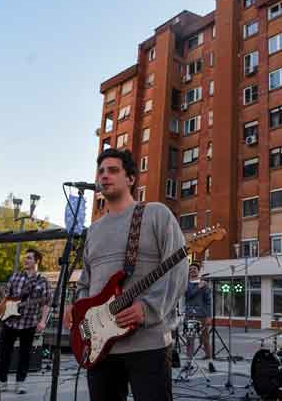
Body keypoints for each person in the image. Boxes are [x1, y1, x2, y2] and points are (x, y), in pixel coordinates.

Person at [64, 148, 188, 401]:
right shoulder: (94, 230)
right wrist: (77, 308)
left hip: (148, 344)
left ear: (130, 178)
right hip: (99, 348)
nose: (104, 176)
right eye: (100, 171)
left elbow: (178, 267)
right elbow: (86, 283)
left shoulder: (156, 214)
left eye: (113, 170)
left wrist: (149, 307)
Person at [0, 248, 51, 394]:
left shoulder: (42, 281)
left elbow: (46, 303)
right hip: (10, 322)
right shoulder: (15, 276)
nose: (26, 260)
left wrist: (43, 321)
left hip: (29, 323)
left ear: (37, 261)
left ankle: (20, 383)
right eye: (25, 258)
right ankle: (2, 381)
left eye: (29, 258)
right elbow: (6, 297)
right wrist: (1, 310)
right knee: (4, 353)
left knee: (25, 354)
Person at [184, 262, 212, 360]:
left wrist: (209, 316)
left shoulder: (204, 283)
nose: (192, 270)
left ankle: (210, 360)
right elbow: (188, 295)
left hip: (202, 315)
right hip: (190, 315)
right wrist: (198, 287)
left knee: (205, 339)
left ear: (198, 270)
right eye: (190, 269)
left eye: (194, 269)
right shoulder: (186, 283)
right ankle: (189, 361)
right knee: (190, 339)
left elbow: (208, 301)